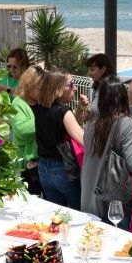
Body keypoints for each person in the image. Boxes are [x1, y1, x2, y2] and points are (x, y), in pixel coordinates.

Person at [80, 79, 132, 228]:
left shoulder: (92, 121)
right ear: (122, 97)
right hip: (113, 202)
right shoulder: (125, 123)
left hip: (89, 196)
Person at [33, 70, 85, 207]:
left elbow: (63, 128)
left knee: (56, 215)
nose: (75, 88)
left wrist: (79, 110)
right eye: (71, 84)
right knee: (76, 214)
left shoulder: (40, 108)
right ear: (59, 88)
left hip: (44, 169)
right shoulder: (63, 111)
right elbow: (83, 139)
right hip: (62, 170)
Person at [9, 65, 43, 195]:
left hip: (42, 163)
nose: (42, 91)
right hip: (26, 167)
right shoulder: (18, 103)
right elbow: (22, 131)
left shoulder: (41, 103)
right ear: (30, 85)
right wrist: (44, 119)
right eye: (40, 88)